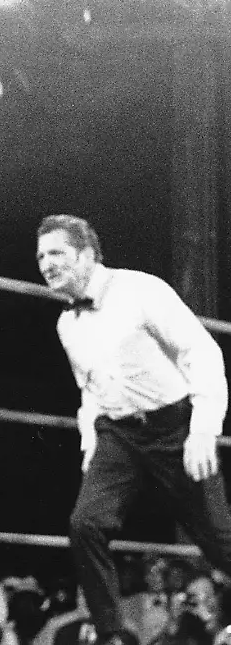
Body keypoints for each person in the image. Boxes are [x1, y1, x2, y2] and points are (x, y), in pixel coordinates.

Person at [35, 214, 231, 645]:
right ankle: (112, 635)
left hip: (172, 428)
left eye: (57, 253)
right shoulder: (67, 324)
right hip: (117, 435)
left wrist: (203, 429)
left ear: (87, 255)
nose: (46, 264)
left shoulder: (141, 290)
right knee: (86, 524)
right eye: (41, 256)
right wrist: (91, 443)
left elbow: (201, 351)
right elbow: (89, 391)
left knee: (220, 539)